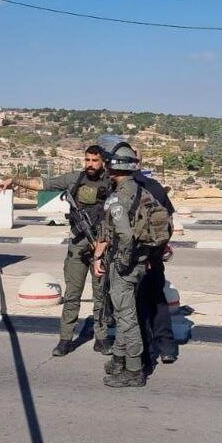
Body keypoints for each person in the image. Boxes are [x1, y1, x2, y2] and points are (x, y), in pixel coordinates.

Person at [0, 145, 113, 357]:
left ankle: (101, 337)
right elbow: (43, 184)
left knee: (101, 294)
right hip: (78, 245)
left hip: (102, 245)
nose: (90, 164)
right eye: (87, 160)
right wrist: (15, 180)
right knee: (72, 294)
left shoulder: (111, 182)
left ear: (103, 161)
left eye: (94, 160)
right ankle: (65, 339)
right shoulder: (74, 179)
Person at [92, 142, 150, 388]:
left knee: (126, 318)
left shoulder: (118, 198)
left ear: (114, 167)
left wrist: (122, 262)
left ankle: (134, 370)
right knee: (122, 313)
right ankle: (118, 360)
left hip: (125, 265)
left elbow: (125, 235)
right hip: (140, 262)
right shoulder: (141, 191)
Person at [133, 165, 178, 366]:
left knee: (139, 305)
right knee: (158, 301)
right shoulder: (155, 186)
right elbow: (169, 223)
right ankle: (167, 348)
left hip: (136, 258)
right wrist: (158, 251)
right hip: (155, 256)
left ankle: (145, 353)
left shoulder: (125, 188)